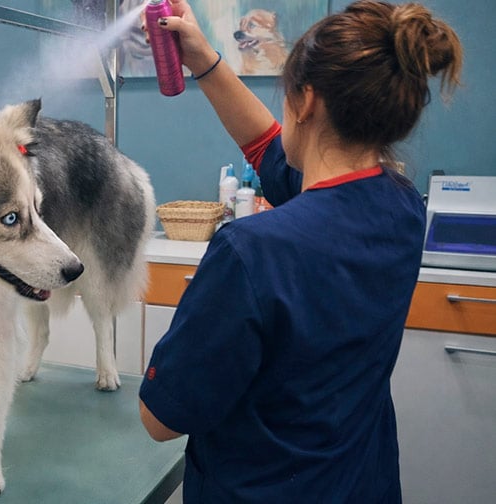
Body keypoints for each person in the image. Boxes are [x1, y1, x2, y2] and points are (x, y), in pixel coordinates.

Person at [137, 1, 463, 502]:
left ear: (306, 101)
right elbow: (268, 147)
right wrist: (202, 58)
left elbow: (161, 420)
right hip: (359, 486)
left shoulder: (250, 252)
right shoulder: (400, 208)